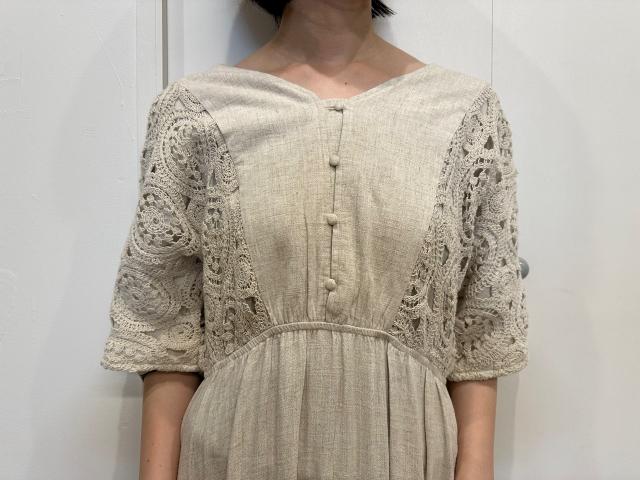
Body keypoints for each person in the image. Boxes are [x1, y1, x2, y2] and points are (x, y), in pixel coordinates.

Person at [99, 1, 530, 479]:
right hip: (238, 453)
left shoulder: (463, 115)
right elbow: (163, 332)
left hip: (406, 453)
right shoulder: (197, 111)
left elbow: (480, 334)